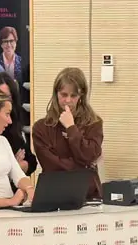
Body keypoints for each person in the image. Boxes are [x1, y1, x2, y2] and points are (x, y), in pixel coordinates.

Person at [32, 67, 104, 200]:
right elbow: (51, 165)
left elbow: (89, 155)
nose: (68, 100)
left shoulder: (94, 123)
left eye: (73, 96)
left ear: (81, 96)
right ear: (56, 94)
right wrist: (84, 167)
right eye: (64, 95)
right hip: (54, 193)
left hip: (88, 193)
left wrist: (71, 128)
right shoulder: (41, 127)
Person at [0, 71, 36, 175]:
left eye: (7, 97)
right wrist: (12, 167)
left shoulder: (11, 126)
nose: (5, 103)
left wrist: (16, 167)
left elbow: (31, 162)